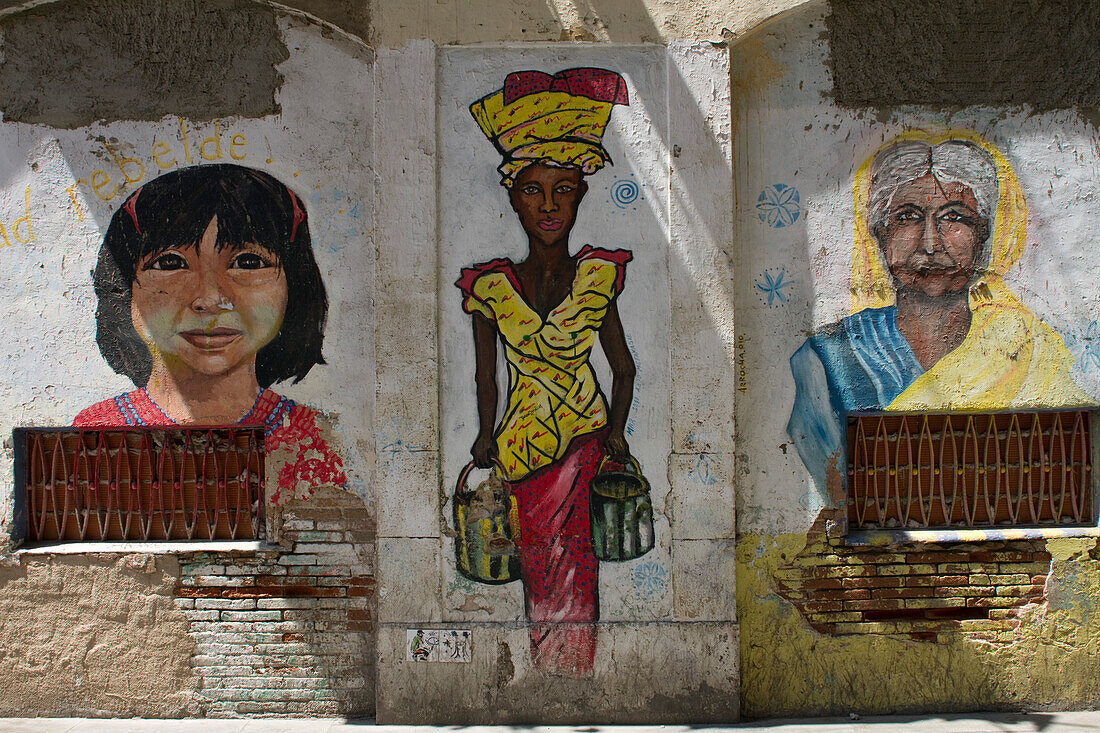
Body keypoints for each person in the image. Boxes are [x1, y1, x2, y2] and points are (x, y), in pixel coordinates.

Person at [788, 130, 1090, 489]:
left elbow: (1060, 478)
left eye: (955, 218)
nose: (931, 243)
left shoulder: (1027, 349)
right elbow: (842, 497)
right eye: (908, 216)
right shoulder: (826, 360)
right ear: (880, 236)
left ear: (983, 238)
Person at [458, 67, 636, 675]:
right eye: (534, 190)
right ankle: (555, 668)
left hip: (585, 439)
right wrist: (484, 437)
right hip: (520, 444)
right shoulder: (490, 288)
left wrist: (614, 436)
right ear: (513, 196)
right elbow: (487, 380)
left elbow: (625, 369)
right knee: (538, 560)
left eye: (564, 189)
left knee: (575, 558)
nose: (550, 205)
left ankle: (570, 669)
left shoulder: (596, 277)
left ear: (581, 195)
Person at [74, 164, 346, 503]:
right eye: (170, 263)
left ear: (293, 286)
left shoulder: (311, 442)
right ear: (124, 291)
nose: (210, 300)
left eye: (247, 263)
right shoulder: (95, 435)